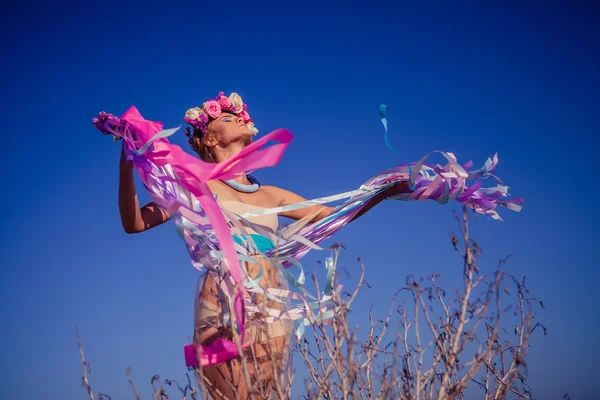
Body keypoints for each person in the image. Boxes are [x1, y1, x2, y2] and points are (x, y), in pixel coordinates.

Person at [116, 92, 410, 399]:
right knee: (230, 394)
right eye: (228, 118)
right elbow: (135, 223)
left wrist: (385, 191)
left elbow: (332, 215)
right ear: (212, 140)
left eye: (240, 116)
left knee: (264, 395)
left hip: (271, 304)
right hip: (220, 304)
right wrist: (127, 164)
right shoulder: (194, 188)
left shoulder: (271, 194)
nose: (242, 117)